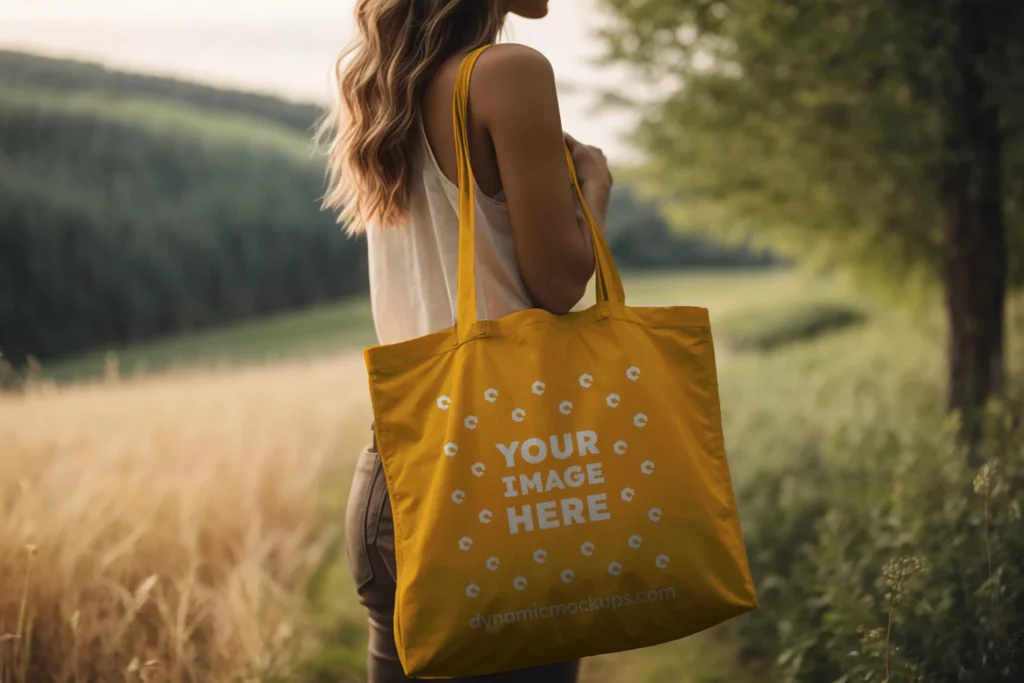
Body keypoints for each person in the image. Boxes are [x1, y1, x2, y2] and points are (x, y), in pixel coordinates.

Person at [319, 1, 613, 680]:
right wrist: (592, 193)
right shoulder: (509, 74)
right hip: (508, 473)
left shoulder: (381, 86)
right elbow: (559, 282)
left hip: (397, 477)